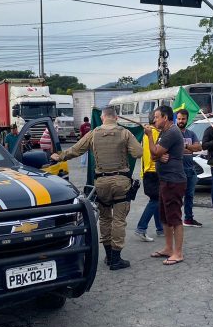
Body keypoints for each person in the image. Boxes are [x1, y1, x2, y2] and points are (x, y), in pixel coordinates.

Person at [51, 106, 141, 270]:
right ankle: (116, 259)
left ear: (103, 117)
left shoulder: (93, 133)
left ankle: (108, 255)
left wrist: (59, 156)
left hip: (102, 183)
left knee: (105, 219)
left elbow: (76, 150)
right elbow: (138, 153)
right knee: (119, 221)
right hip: (121, 182)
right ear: (116, 117)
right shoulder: (125, 133)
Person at [144, 105, 187, 265]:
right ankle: (169, 248)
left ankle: (178, 253)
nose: (154, 120)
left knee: (174, 218)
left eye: (156, 117)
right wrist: (158, 156)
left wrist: (149, 136)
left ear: (165, 118)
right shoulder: (164, 132)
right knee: (165, 217)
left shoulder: (171, 132)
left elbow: (154, 151)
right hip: (165, 180)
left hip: (173, 181)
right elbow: (155, 155)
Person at [134, 120, 164, 242]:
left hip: (148, 171)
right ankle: (141, 228)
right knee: (155, 200)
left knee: (157, 199)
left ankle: (160, 228)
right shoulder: (154, 133)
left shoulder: (147, 131)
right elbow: (156, 152)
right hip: (153, 171)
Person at [176, 109, 203, 228]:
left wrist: (187, 146)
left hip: (191, 169)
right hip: (178, 170)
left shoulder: (191, 134)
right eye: (179, 118)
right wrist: (190, 148)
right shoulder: (173, 133)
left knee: (190, 196)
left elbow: (198, 147)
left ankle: (188, 219)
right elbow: (175, 150)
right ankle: (174, 221)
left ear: (187, 119)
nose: (181, 121)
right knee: (177, 197)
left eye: (183, 119)